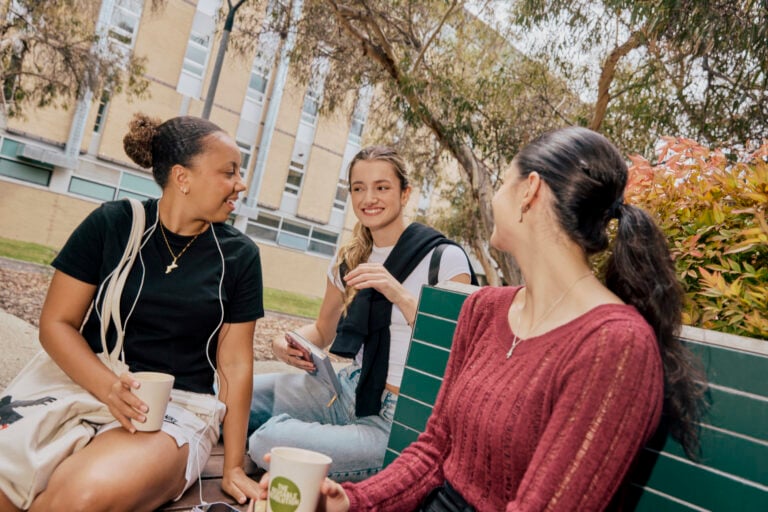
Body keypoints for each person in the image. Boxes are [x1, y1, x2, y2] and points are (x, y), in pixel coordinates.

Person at [269, 127, 707, 511]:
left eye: (500, 182)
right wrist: (351, 500)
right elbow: (433, 450)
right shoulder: (485, 309)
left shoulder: (615, 346)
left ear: (529, 191)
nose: (493, 195)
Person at [0, 114, 264, 511]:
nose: (240, 184)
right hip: (80, 384)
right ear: (183, 177)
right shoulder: (112, 224)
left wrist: (233, 467)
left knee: (80, 496)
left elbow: (235, 365)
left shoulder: (240, 256)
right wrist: (108, 387)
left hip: (176, 409)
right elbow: (57, 323)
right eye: (229, 172)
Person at [247, 145, 476, 482]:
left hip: (400, 415)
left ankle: (309, 445)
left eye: (382, 187)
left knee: (264, 440)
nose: (369, 198)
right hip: (345, 389)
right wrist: (284, 342)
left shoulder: (444, 259)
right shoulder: (349, 260)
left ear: (405, 193)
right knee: (236, 394)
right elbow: (323, 332)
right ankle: (315, 442)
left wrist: (397, 292)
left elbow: (458, 346)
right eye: (358, 188)